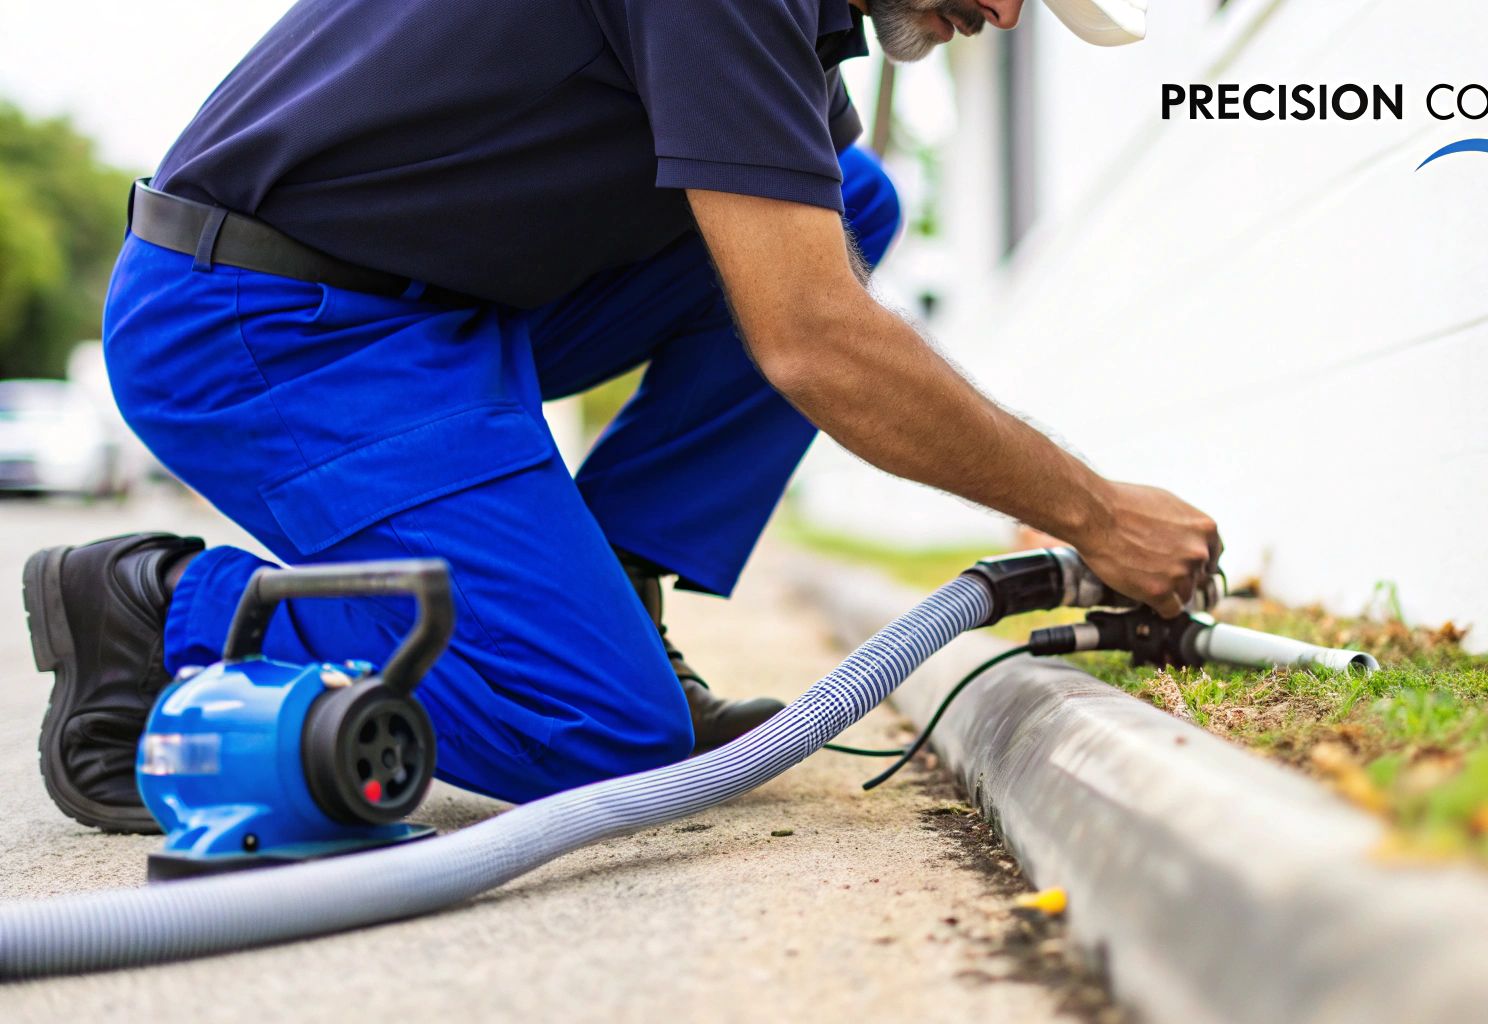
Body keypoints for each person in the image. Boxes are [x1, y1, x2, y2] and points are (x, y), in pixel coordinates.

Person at [22, 0, 1219, 834]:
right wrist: (1091, 512)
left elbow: (807, 279)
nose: (1005, 18)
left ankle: (615, 598)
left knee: (840, 204)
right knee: (597, 731)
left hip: (442, 306)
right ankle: (161, 609)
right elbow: (813, 342)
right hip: (273, 319)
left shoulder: (793, 32)